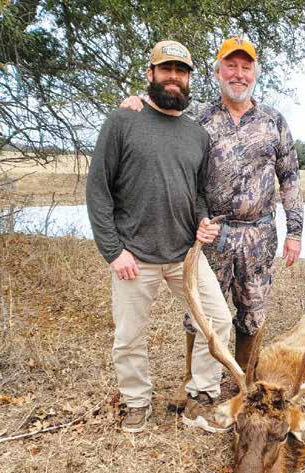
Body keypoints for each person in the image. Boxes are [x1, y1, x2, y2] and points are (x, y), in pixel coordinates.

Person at [120, 37, 303, 413]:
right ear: (218, 71)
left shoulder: (274, 121)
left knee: (252, 313)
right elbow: (158, 117)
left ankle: (244, 389)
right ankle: (199, 391)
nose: (238, 74)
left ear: (255, 73)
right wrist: (136, 104)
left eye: (245, 67)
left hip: (260, 235)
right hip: (210, 235)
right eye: (230, 66)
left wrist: (295, 231)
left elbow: (290, 176)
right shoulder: (196, 120)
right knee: (201, 315)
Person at [87, 40, 232, 434]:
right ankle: (136, 402)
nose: (173, 77)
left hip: (185, 256)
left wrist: (203, 221)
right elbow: (98, 190)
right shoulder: (122, 121)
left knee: (218, 320)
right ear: (150, 74)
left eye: (180, 71)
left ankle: (201, 397)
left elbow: (197, 193)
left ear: (188, 79)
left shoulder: (195, 135)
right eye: (165, 69)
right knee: (129, 336)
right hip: (135, 257)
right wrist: (114, 252)